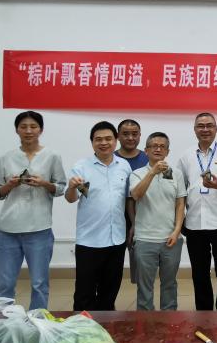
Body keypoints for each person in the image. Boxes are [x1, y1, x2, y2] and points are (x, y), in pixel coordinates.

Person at [0, 111, 67, 310]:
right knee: (5, 284)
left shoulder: (52, 156)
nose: (28, 131)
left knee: (39, 284)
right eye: (23, 127)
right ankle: (3, 321)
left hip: (39, 229)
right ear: (17, 130)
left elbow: (61, 188)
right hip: (7, 229)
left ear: (41, 129)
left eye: (33, 126)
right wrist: (9, 185)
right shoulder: (6, 157)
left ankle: (37, 321)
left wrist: (44, 183)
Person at [177, 113, 217, 310]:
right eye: (201, 126)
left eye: (209, 125)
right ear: (194, 129)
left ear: (216, 129)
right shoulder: (186, 156)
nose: (205, 129)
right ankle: (204, 315)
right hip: (194, 223)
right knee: (199, 273)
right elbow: (180, 189)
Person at [65, 121, 134, 311]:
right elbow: (71, 198)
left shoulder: (124, 166)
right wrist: (71, 187)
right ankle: (82, 327)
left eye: (108, 138)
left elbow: (128, 199)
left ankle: (106, 326)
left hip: (116, 239)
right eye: (98, 139)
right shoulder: (82, 167)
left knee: (109, 292)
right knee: (84, 293)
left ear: (116, 140)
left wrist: (133, 225)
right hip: (89, 240)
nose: (104, 143)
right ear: (92, 142)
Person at [129, 132, 186, 311]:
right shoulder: (137, 174)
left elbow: (180, 204)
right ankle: (145, 322)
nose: (158, 149)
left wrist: (177, 231)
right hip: (145, 239)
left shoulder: (176, 174)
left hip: (171, 239)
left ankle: (169, 321)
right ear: (146, 150)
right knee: (144, 287)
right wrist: (152, 172)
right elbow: (136, 195)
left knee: (169, 284)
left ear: (167, 151)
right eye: (154, 146)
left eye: (162, 146)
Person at [116, 119, 148, 285]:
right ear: (118, 136)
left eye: (134, 134)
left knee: (141, 269)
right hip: (114, 217)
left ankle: (142, 299)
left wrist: (135, 223)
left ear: (140, 135)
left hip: (142, 216)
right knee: (112, 267)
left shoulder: (148, 158)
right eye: (125, 134)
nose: (130, 138)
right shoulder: (110, 158)